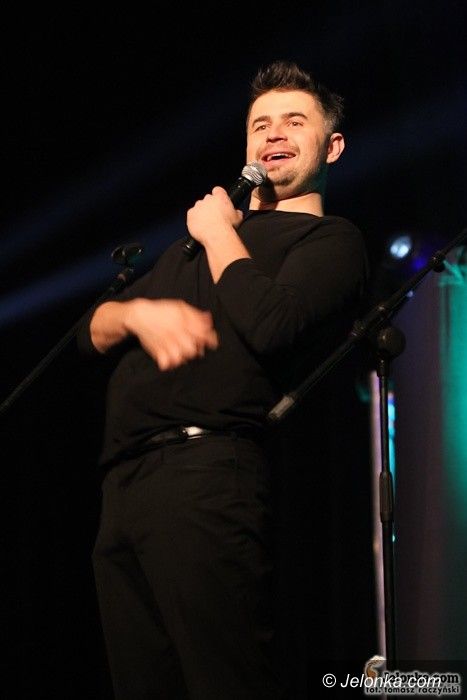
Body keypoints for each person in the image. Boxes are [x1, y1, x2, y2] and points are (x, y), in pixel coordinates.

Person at [78, 60, 368, 700]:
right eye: (260, 125)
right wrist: (137, 314)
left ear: (332, 146)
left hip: (206, 475)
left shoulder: (328, 239)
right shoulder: (205, 241)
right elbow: (89, 331)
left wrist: (215, 234)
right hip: (125, 484)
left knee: (223, 680)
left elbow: (272, 323)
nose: (274, 134)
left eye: (294, 121)